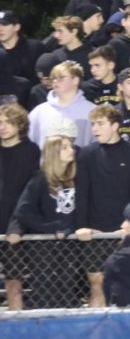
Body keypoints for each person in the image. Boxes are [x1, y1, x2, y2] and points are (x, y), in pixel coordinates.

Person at [75, 104, 130, 307]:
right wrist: (82, 225)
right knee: (96, 284)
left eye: (100, 124)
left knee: (125, 284)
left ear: (115, 126)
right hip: (95, 231)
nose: (95, 129)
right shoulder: (87, 154)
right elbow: (81, 193)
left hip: (124, 231)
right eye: (93, 124)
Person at [7, 128, 80, 309]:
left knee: (68, 286)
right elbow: (23, 211)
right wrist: (51, 228)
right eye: (65, 147)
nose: (71, 150)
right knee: (46, 290)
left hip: (69, 246)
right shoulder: (39, 180)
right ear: (54, 153)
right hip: (43, 247)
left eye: (70, 146)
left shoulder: (74, 179)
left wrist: (69, 228)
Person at [0, 104, 41, 310]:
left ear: (20, 124)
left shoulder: (30, 151)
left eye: (8, 122)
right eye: (0, 122)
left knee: (13, 282)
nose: (2, 127)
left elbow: (31, 191)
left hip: (16, 225)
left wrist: (17, 224)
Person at [28, 61, 95, 149]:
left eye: (60, 78)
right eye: (53, 78)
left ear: (75, 80)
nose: (55, 81)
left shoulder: (92, 111)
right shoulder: (39, 112)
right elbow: (28, 142)